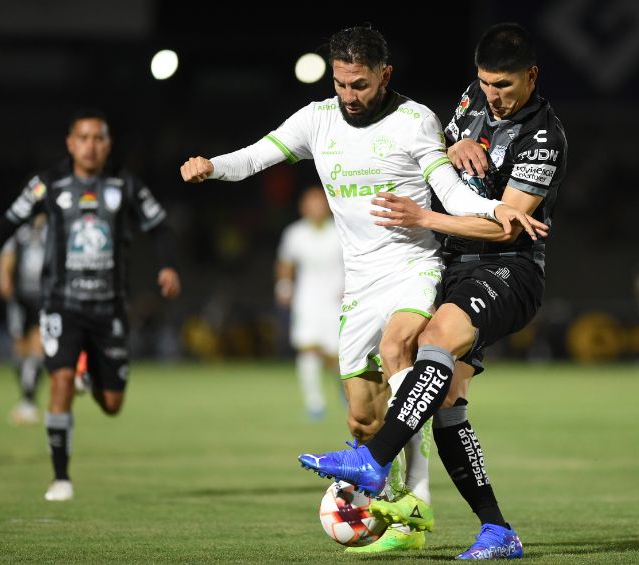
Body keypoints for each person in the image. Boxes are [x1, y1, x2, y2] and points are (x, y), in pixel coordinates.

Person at [180, 25, 546, 554]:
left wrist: (495, 210)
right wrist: (213, 167)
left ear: (384, 75)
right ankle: (396, 494)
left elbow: (449, 191)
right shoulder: (317, 119)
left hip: (415, 266)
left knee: (403, 347)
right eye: (341, 84)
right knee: (364, 417)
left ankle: (412, 506)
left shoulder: (414, 120)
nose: (349, 96)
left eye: (360, 85)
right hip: (361, 281)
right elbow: (257, 156)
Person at [299, 22, 567, 560]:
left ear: (531, 76)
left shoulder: (544, 137)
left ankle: (374, 459)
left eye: (506, 86)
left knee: (434, 341)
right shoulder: (472, 101)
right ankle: (493, 528)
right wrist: (457, 139)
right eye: (487, 83)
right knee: (443, 399)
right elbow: (436, 149)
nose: (495, 95)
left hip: (506, 269)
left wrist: (424, 217)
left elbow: (504, 226)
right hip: (452, 267)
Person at [0, 108, 181, 501]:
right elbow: (7, 223)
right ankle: (61, 478)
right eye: (84, 138)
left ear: (108, 144)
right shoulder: (47, 185)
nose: (91, 146)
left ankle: (88, 367)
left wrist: (169, 265)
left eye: (99, 139)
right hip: (61, 304)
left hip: (110, 308)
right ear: (70, 143)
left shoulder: (124, 185)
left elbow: (160, 226)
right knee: (57, 382)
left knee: (112, 404)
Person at [275, 186, 344, 420]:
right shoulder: (295, 233)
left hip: (336, 300)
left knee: (338, 355)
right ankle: (315, 403)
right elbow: (286, 262)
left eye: (320, 202)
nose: (316, 207)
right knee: (308, 349)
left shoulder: (340, 231)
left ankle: (345, 390)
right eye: (311, 203)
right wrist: (284, 286)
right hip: (307, 300)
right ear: (303, 207)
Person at [0, 213, 47, 425]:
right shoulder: (18, 231)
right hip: (20, 297)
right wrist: (4, 277)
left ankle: (29, 400)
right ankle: (27, 395)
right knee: (20, 348)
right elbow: (6, 257)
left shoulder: (52, 229)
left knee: (39, 346)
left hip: (44, 297)